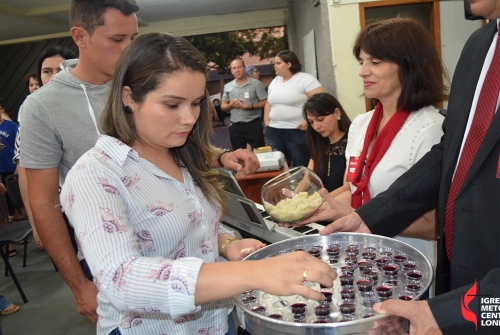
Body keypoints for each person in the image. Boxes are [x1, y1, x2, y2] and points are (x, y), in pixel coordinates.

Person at [61, 32, 337, 335]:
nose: (189, 118)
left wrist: (228, 244)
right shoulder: (96, 175)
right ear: (129, 98)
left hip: (217, 320)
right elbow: (122, 280)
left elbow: (196, 221)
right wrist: (250, 272)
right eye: (172, 105)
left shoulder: (182, 155)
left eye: (195, 104)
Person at [318, 0, 500, 333]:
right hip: (458, 280)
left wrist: (464, 313)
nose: (364, 70)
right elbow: (451, 153)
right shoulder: (480, 45)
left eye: (375, 61)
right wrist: (371, 217)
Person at [19, 0, 141, 324]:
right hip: (108, 258)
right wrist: (78, 285)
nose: (129, 49)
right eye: (118, 40)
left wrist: (223, 155)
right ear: (80, 36)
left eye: (134, 38)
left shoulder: (142, 83)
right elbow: (43, 202)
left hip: (176, 240)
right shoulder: (42, 106)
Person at [295, 18, 445, 271]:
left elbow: (434, 224)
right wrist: (308, 208)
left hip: (405, 262)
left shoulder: (431, 129)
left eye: (375, 62)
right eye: (362, 62)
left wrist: (359, 216)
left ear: (410, 66)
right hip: (361, 253)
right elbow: (351, 187)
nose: (363, 71)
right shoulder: (361, 124)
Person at [14, 45, 76, 249]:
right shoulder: (33, 116)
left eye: (61, 70)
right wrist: (34, 219)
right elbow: (25, 173)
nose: (54, 77)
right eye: (47, 71)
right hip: (59, 209)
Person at [264, 50, 325, 167]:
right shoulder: (275, 81)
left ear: (289, 64)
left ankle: (303, 185)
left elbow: (321, 101)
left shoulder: (305, 79)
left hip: (296, 130)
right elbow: (268, 103)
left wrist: (310, 121)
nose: (275, 66)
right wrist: (267, 120)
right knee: (279, 165)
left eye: (278, 63)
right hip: (274, 130)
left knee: (300, 164)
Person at [303, 93, 351, 193]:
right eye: (311, 122)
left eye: (320, 119)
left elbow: (347, 187)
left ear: (337, 113)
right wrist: (293, 197)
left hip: (342, 203)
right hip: (322, 202)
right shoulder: (319, 142)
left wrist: (318, 202)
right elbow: (307, 179)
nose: (316, 127)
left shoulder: (352, 142)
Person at [221, 59, 267, 150]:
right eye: (234, 68)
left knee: (259, 154)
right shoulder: (228, 86)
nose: (237, 70)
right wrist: (231, 105)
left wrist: (251, 107)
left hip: (253, 124)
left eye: (239, 67)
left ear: (244, 68)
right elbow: (223, 106)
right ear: (231, 71)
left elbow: (265, 101)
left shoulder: (256, 84)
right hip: (235, 126)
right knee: (238, 155)